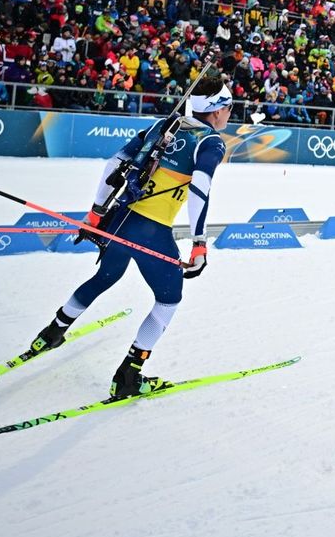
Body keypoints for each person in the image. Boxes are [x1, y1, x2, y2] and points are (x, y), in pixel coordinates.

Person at [28, 75, 232, 400]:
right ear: (218, 110)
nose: (229, 114)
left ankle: (51, 332)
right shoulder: (211, 141)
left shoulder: (165, 126)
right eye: (229, 107)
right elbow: (200, 188)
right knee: (169, 301)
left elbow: (114, 163)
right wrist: (198, 243)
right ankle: (129, 376)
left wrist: (95, 214)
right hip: (152, 231)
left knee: (105, 276)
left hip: (118, 220)